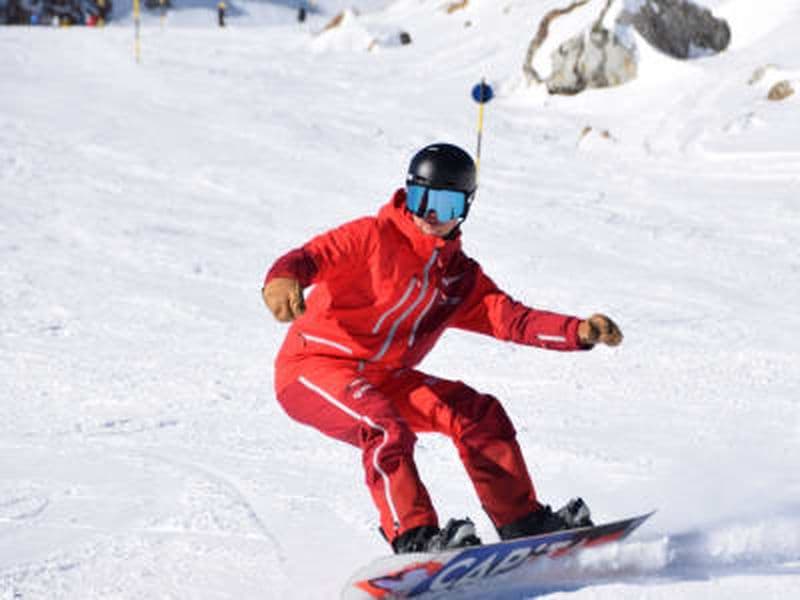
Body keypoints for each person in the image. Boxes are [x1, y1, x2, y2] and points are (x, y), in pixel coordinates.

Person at [262, 142, 623, 553]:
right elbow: (309, 257)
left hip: (385, 377)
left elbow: (511, 318)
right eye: (421, 198)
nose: (430, 215)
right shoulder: (370, 238)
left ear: (465, 207)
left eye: (446, 204)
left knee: (476, 413)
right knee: (383, 426)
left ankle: (522, 522)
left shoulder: (457, 279)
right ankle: (413, 537)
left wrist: (577, 331)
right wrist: (282, 279)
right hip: (313, 368)